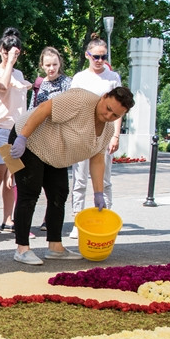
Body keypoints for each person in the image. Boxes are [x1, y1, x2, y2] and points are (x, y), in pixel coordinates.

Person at [8, 86, 135, 266]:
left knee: (59, 194)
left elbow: (97, 159)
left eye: (115, 115)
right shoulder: (80, 99)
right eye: (108, 109)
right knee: (30, 192)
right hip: (29, 140)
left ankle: (55, 247)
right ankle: (22, 249)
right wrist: (22, 137)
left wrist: (98, 193)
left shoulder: (107, 131)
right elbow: (44, 108)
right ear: (104, 96)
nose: (108, 116)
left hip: (55, 153)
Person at [68, 34, 122, 237]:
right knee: (80, 179)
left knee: (105, 180)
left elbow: (119, 109)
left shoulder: (113, 77)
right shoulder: (80, 78)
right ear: (87, 55)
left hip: (105, 133)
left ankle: (106, 217)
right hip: (83, 133)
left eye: (103, 56)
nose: (99, 61)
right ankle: (77, 220)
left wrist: (116, 135)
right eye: (95, 57)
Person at [0, 27, 31, 234]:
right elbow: (2, 87)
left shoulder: (20, 74)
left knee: (11, 178)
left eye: (15, 52)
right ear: (1, 50)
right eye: (6, 50)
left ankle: (8, 218)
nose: (10, 54)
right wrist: (9, 63)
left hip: (16, 130)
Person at [30, 46, 71, 232]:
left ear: (60, 63)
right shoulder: (39, 84)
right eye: (48, 65)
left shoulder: (67, 83)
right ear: (42, 65)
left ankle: (51, 219)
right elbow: (32, 110)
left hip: (60, 138)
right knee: (41, 180)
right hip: (41, 138)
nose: (51, 68)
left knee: (57, 184)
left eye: (54, 64)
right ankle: (45, 218)